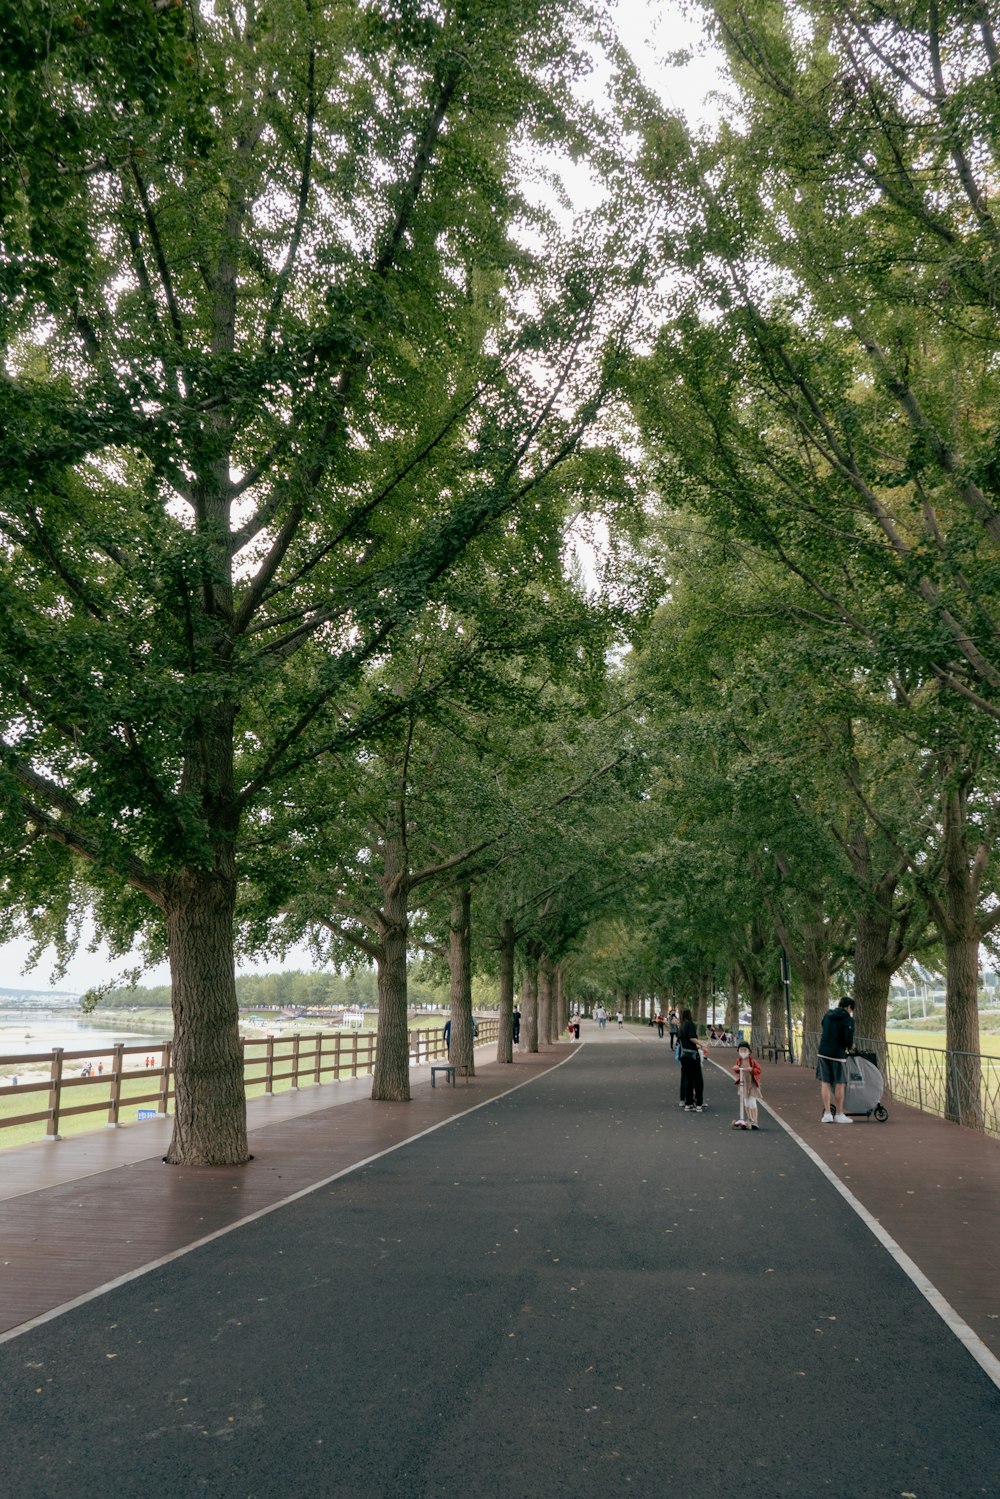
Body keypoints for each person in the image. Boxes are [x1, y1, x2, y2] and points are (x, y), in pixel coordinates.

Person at [817, 997, 856, 1123]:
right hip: (837, 1054)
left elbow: (823, 1025)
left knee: (825, 1082)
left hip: (823, 1051)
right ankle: (839, 1113)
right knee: (840, 1083)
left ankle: (827, 1113)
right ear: (849, 1007)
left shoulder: (828, 1015)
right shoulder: (848, 1019)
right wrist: (850, 1046)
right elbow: (848, 1038)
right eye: (851, 1009)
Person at [678, 1008, 707, 1112]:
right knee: (697, 1079)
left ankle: (688, 1103)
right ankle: (699, 1103)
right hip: (693, 1055)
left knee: (687, 1080)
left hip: (683, 1055)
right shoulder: (690, 1024)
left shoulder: (680, 1026)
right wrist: (701, 1043)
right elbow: (692, 1038)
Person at [732, 1041, 762, 1129]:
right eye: (741, 1050)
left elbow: (759, 1070)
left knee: (752, 1102)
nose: (743, 1052)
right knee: (746, 1102)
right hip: (743, 1084)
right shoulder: (739, 1061)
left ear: (749, 1051)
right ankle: (749, 1118)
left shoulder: (752, 1061)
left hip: (752, 1084)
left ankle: (755, 1121)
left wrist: (752, 1069)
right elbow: (737, 1070)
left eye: (745, 1050)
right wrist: (736, 1068)